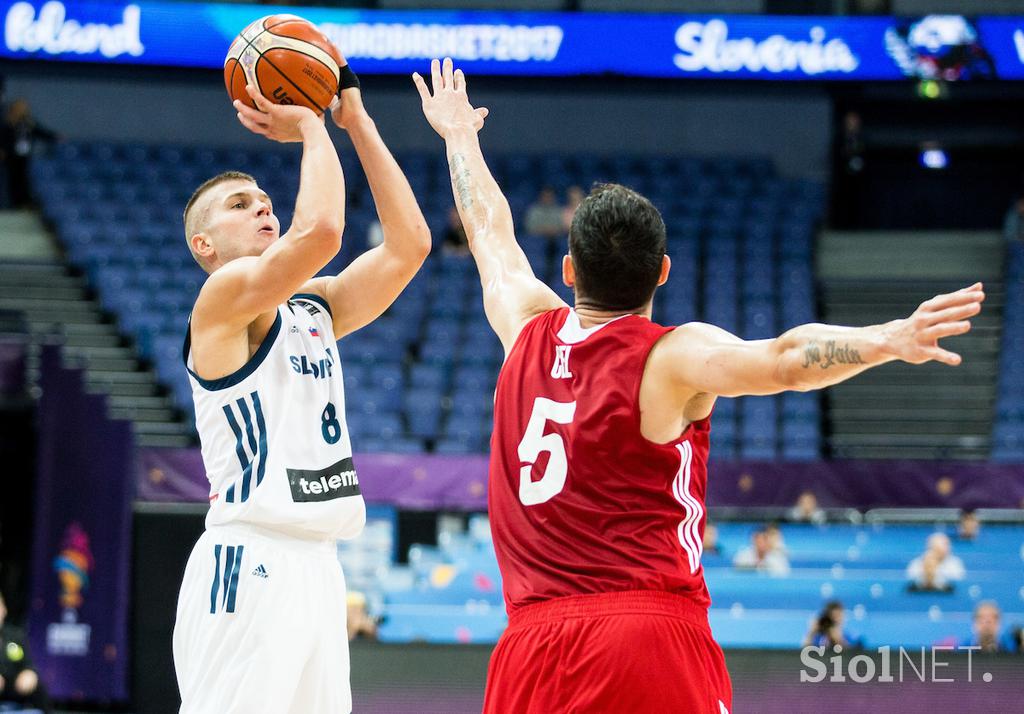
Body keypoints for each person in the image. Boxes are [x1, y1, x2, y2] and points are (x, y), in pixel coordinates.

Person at [414, 57, 984, 714]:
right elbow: (786, 360)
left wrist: (458, 135)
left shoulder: (523, 327)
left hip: (530, 650)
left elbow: (491, 233)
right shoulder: (671, 357)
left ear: (569, 269)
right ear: (662, 272)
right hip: (646, 640)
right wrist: (887, 339)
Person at [173, 58, 430, 714]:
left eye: (265, 200)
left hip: (318, 565)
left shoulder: (310, 307)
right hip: (250, 556)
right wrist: (313, 131)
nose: (262, 207)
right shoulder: (222, 298)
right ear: (204, 244)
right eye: (240, 206)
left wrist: (358, 123)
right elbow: (320, 232)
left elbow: (409, 246)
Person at [0, 98, 58, 208]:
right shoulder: (9, 124)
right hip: (12, 156)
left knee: (25, 180)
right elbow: (3, 138)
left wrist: (54, 137)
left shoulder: (29, 123)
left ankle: (24, 203)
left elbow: (40, 132)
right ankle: (15, 204)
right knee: (13, 180)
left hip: (25, 156)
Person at [0, 591, 49, 713]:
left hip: (13, 690)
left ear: (4, 610)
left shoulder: (15, 636)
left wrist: (29, 673)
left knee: (37, 685)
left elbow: (28, 663)